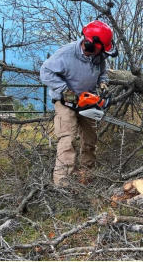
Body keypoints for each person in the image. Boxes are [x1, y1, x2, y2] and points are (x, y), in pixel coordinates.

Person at [39, 20, 113, 186]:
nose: (99, 54)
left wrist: (103, 84)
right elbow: (45, 72)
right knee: (68, 139)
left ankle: (87, 176)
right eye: (98, 50)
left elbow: (103, 73)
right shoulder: (66, 54)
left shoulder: (99, 55)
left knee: (90, 139)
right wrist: (66, 91)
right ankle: (63, 185)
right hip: (65, 102)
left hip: (87, 101)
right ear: (88, 43)